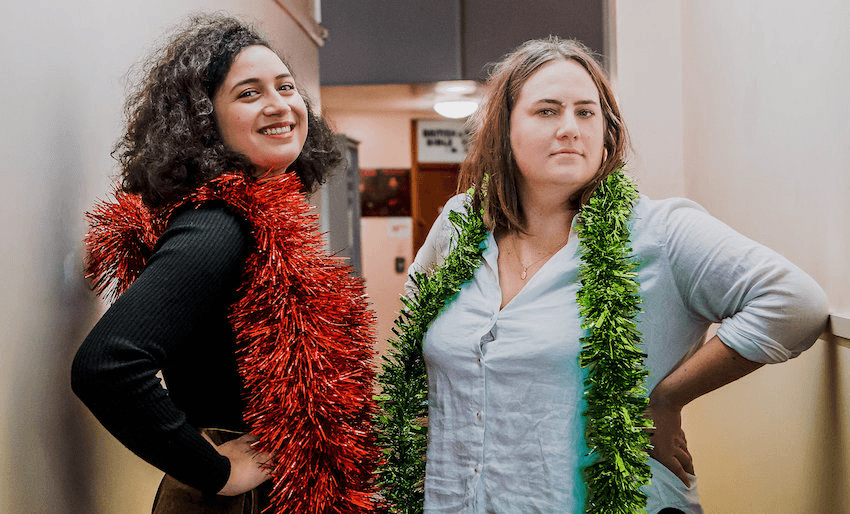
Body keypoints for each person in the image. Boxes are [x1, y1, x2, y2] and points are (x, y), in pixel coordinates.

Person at [398, 38, 829, 513]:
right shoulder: (460, 224)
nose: (570, 128)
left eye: (586, 112)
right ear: (504, 129)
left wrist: (667, 398)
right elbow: (415, 329)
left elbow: (795, 303)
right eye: (547, 111)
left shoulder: (658, 232)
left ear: (606, 131)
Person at [71, 14, 379, 513]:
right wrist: (217, 470)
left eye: (285, 87)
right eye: (249, 93)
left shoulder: (256, 215)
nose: (279, 104)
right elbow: (107, 364)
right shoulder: (220, 222)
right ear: (203, 121)